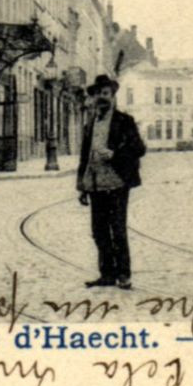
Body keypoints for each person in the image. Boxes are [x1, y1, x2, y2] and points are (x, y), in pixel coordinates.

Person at [76, 74, 146, 290]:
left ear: (113, 96)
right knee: (99, 231)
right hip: (95, 184)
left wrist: (114, 154)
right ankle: (107, 274)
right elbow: (84, 157)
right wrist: (81, 186)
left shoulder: (124, 121)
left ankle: (124, 274)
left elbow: (139, 149)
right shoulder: (90, 124)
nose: (101, 98)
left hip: (117, 183)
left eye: (105, 93)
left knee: (117, 230)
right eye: (97, 94)